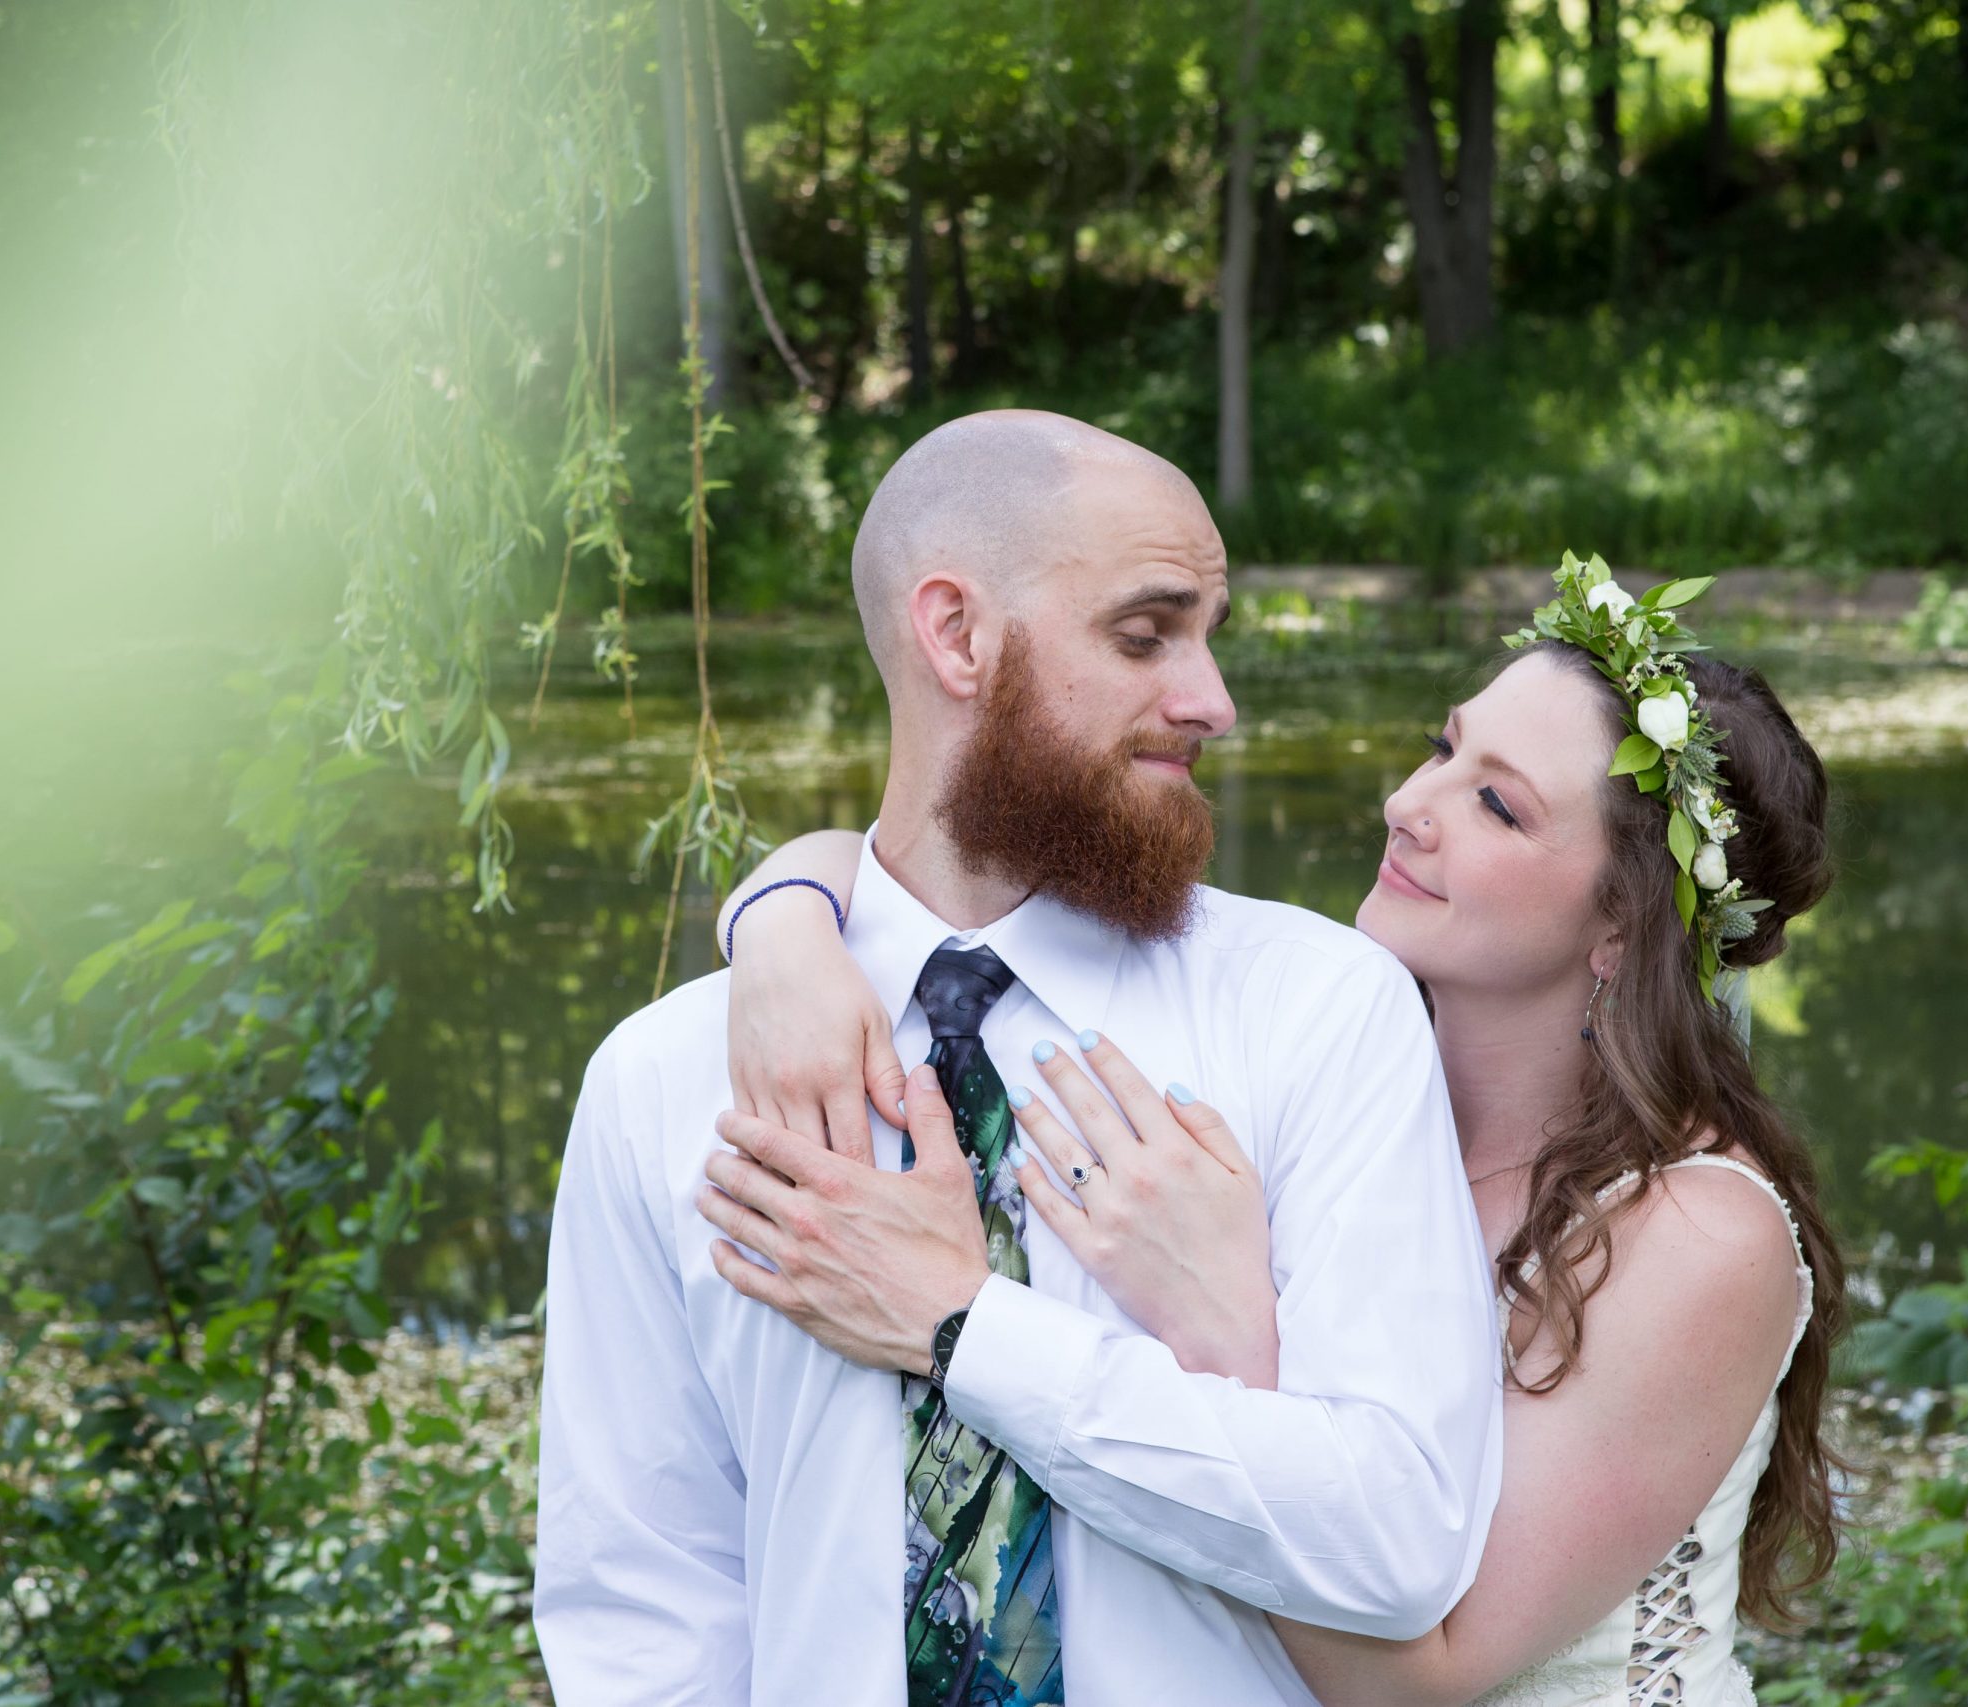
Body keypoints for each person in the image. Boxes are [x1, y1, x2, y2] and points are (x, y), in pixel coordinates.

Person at [715, 552, 1848, 1706]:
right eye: (1443, 748)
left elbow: (1417, 1679)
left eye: (1496, 804)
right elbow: (951, 882)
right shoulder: (1319, 1057)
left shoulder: (1698, 1237)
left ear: (1622, 920)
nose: (1411, 805)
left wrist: (1226, 1333)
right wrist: (783, 914)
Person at [532, 411, 1504, 1706]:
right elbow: (646, 1599)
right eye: (1145, 634)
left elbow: (1400, 1548)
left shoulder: (1319, 1009)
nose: (1211, 699)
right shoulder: (668, 1079)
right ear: (958, 635)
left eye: (1209, 637)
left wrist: (968, 1325)